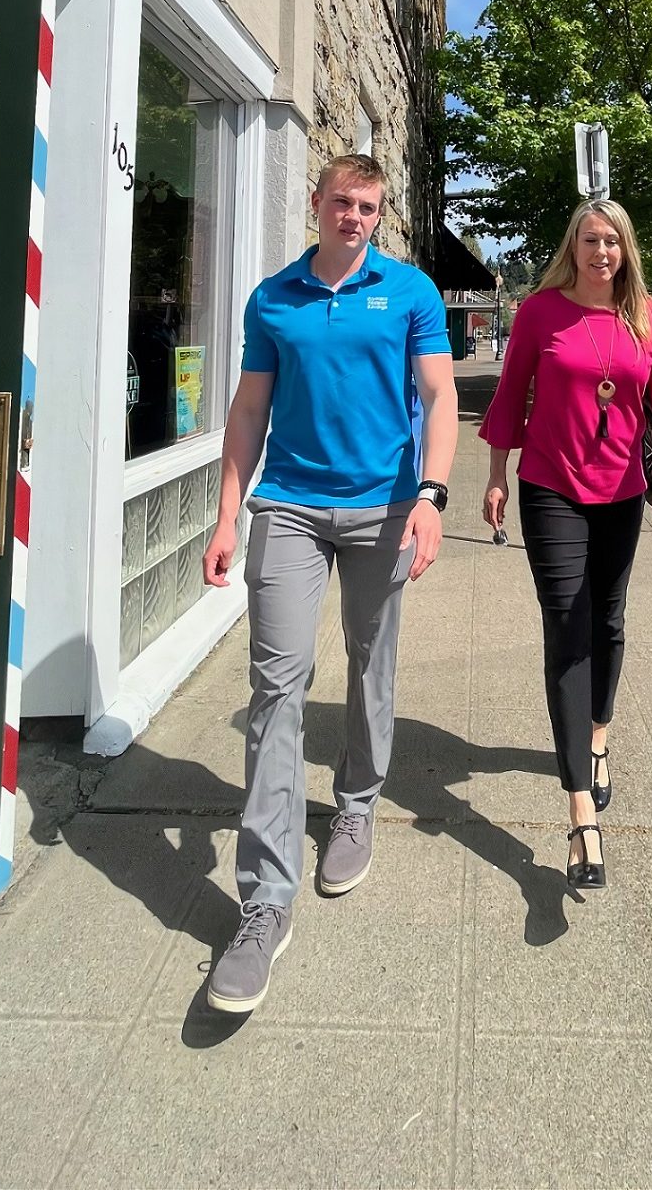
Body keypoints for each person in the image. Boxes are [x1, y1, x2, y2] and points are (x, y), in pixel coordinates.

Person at [202, 154, 458, 1013]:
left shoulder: (411, 292)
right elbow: (248, 411)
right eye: (342, 202)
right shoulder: (274, 297)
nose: (355, 216)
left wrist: (431, 496)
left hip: (385, 508)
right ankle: (264, 903)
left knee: (370, 663)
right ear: (315, 204)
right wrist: (227, 512)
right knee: (277, 684)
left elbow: (440, 396)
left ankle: (355, 803)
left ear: (380, 216)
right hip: (290, 507)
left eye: (369, 206)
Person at [479, 199, 652, 889]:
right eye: (590, 239)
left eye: (613, 241)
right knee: (567, 628)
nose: (602, 251)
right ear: (572, 246)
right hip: (551, 486)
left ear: (626, 250)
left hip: (618, 493)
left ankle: (599, 735)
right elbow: (510, 394)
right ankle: (580, 810)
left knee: (608, 620)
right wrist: (495, 476)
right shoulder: (540, 313)